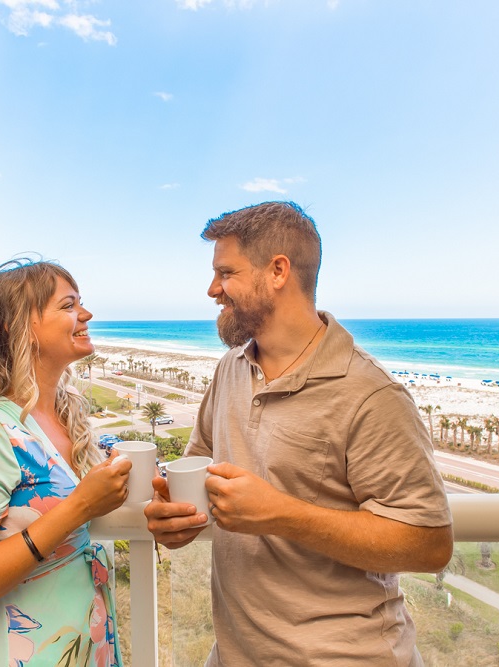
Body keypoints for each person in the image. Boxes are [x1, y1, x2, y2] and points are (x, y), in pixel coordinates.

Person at [144, 202, 453, 666]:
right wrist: (176, 517)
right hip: (235, 655)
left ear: (278, 271)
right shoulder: (230, 369)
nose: (212, 289)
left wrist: (281, 514)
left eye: (226, 273)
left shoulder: (371, 394)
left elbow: (429, 544)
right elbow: (200, 470)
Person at [0, 258, 130, 666]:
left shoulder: (66, 417)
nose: (86, 314)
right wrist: (80, 506)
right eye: (68, 305)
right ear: (16, 326)